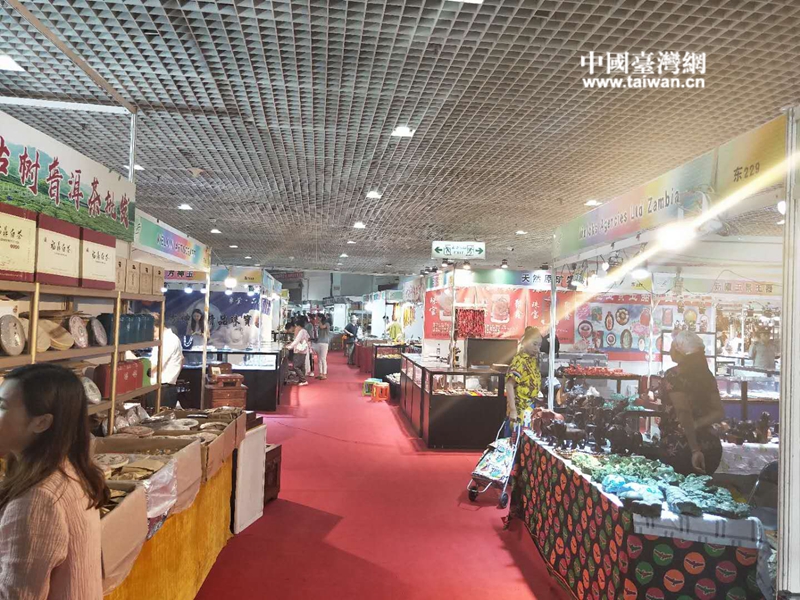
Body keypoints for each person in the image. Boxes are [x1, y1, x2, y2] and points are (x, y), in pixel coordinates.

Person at [0, 363, 108, 599]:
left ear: (41, 423)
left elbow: (15, 595)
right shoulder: (67, 467)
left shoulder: (37, 499)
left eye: (2, 406)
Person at [659, 330, 725, 475]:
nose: (669, 351)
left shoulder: (674, 375)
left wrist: (695, 449)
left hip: (680, 447)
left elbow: (683, 411)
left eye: (672, 347)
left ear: (679, 352)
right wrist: (697, 424)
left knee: (678, 487)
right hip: (711, 446)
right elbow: (718, 412)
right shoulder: (707, 376)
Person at [505, 327, 543, 436]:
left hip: (529, 408)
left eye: (539, 345)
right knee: (516, 439)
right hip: (519, 409)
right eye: (534, 344)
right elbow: (509, 385)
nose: (537, 349)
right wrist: (513, 410)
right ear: (525, 342)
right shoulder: (520, 360)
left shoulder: (533, 360)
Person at [149, 312, 184, 408]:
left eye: (153, 331)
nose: (152, 335)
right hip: (164, 388)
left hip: (162, 390)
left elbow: (154, 366)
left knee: (159, 416)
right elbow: (182, 360)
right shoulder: (168, 339)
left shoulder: (168, 340)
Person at [286, 319, 311, 386]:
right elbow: (308, 339)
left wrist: (289, 347)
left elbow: (296, 341)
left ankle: (303, 380)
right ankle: (302, 380)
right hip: (303, 351)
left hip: (299, 351)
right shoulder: (304, 331)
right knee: (302, 366)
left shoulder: (301, 332)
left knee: (296, 366)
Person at [312, 314, 331, 380]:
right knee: (319, 359)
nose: (316, 319)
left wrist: (319, 322)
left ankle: (324, 374)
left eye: (318, 318)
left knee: (323, 358)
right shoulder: (318, 325)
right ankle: (320, 373)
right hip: (319, 342)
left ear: (321, 318)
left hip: (324, 343)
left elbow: (322, 327)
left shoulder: (327, 324)